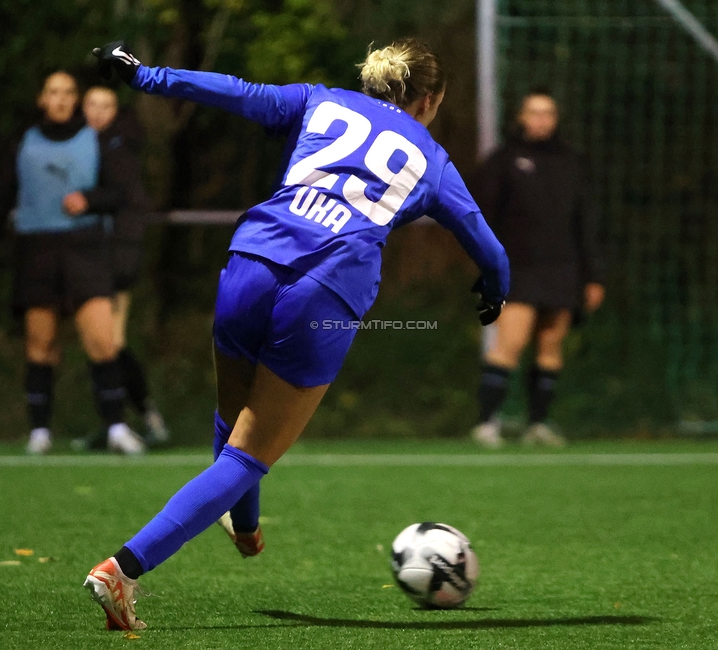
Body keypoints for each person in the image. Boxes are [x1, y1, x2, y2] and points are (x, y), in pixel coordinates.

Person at [82, 38, 510, 630]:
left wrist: (145, 75)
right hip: (326, 288)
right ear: (430, 99)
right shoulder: (431, 157)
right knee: (251, 453)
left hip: (252, 259)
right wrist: (496, 285)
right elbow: (482, 238)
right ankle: (121, 569)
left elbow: (235, 92)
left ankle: (247, 525)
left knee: (236, 427)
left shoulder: (318, 101)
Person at [0, 71, 146, 456]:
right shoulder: (24, 142)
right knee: (41, 344)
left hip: (85, 248)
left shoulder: (97, 140)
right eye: (54, 92)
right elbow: (0, 192)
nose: (62, 99)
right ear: (42, 99)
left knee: (103, 341)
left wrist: (90, 200)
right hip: (37, 250)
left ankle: (116, 426)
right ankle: (39, 432)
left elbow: (121, 192)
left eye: (69, 93)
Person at [469, 88, 606, 449]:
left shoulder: (572, 163)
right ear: (521, 117)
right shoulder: (503, 160)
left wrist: (594, 275)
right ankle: (486, 423)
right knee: (509, 343)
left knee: (550, 345)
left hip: (564, 267)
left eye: (548, 113)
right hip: (520, 268)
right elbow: (481, 215)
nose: (541, 120)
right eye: (534, 112)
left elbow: (586, 222)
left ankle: (538, 424)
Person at [73, 86, 170, 449]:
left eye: (106, 105)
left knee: (110, 342)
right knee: (104, 344)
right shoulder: (84, 144)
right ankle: (118, 421)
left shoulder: (119, 146)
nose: (98, 112)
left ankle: (139, 418)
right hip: (93, 254)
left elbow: (123, 198)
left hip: (115, 257)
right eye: (92, 105)